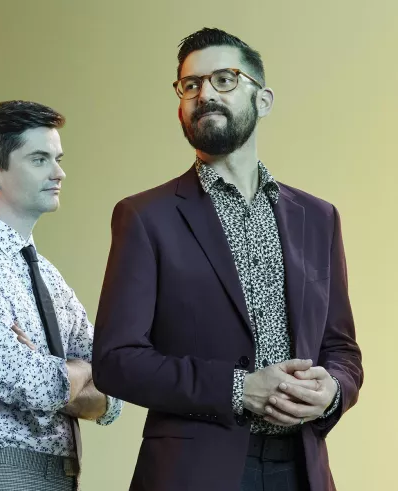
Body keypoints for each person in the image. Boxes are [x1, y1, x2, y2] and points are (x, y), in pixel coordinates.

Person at [92, 28, 363, 490]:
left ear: (263, 99)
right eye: (190, 85)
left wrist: (332, 390)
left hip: (303, 470)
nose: (204, 95)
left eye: (224, 80)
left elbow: (342, 351)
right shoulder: (144, 217)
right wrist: (237, 389)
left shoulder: (318, 217)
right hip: (191, 473)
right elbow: (116, 361)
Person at [0, 100, 122, 491]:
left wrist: (56, 372)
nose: (59, 172)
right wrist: (79, 371)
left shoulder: (46, 273)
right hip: (2, 472)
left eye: (57, 158)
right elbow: (31, 384)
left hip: (59, 475)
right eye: (39, 159)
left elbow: (115, 385)